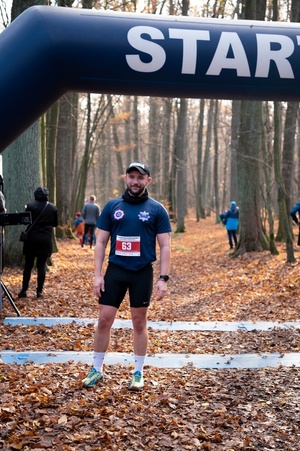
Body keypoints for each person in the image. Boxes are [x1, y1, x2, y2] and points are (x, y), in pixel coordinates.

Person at [82, 161, 171, 391]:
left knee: (139, 323)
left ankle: (138, 372)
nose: (135, 181)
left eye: (140, 178)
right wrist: (97, 275)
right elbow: (101, 242)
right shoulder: (113, 207)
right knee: (104, 320)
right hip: (116, 271)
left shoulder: (156, 209)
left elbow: (165, 245)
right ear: (125, 179)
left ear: (148, 181)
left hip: (142, 273)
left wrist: (163, 278)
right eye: (131, 177)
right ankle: (97, 369)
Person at [18, 187, 58, 299]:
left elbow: (24, 220)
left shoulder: (30, 206)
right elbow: (55, 223)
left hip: (31, 239)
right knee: (41, 266)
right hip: (45, 239)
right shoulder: (52, 207)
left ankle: (24, 290)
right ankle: (39, 291)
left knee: (28, 266)